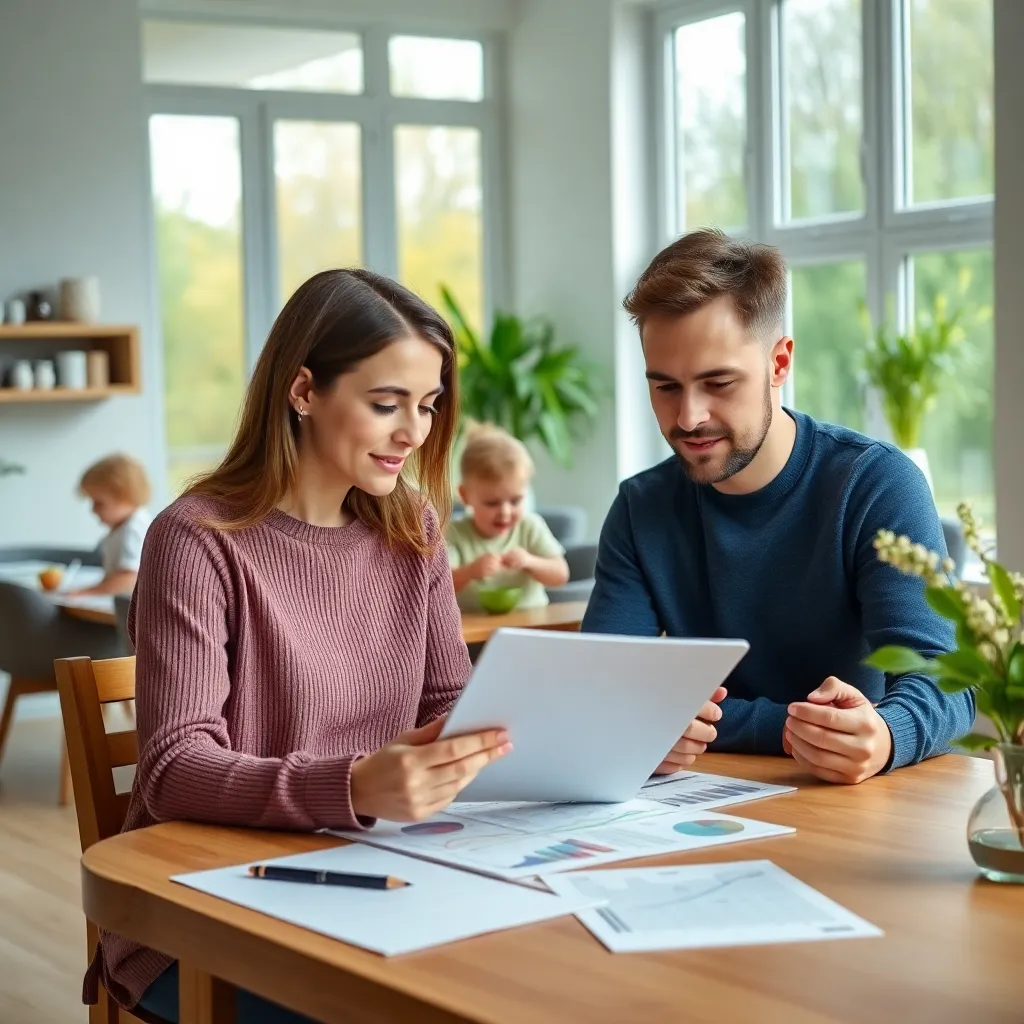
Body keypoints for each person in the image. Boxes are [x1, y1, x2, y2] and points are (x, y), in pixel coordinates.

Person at [84, 270, 512, 1024]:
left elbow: (450, 706)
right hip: (208, 913)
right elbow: (175, 766)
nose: (413, 432)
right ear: (304, 391)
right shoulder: (197, 540)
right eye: (385, 404)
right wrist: (353, 788)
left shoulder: (411, 528)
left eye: (427, 404)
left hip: (383, 877)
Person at [582, 229, 974, 785]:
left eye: (717, 382)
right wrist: (783, 727)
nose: (689, 416)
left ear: (779, 362)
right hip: (701, 801)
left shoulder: (877, 484)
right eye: (665, 387)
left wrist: (887, 734)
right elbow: (602, 692)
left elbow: (946, 682)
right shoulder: (639, 508)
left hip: (850, 801)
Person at [447, 423, 569, 612]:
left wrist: (530, 561)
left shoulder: (530, 527)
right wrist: (470, 571)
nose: (505, 512)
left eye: (516, 501)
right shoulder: (454, 532)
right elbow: (438, 587)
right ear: (465, 496)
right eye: (492, 503)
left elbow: (561, 575)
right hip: (475, 634)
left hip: (532, 626)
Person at [70, 453, 152, 596]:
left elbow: (129, 578)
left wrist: (89, 592)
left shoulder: (134, 529)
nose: (93, 510)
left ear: (126, 497)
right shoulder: (121, 527)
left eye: (99, 503)